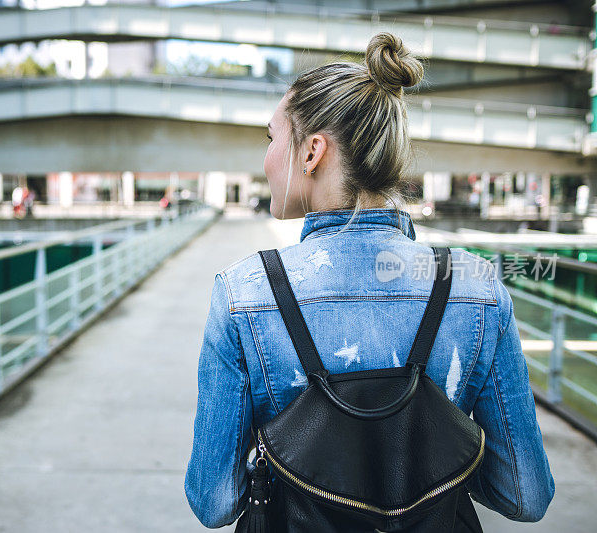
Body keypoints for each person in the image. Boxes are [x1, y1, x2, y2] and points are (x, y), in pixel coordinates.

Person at [184, 32, 554, 529]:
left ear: (313, 151)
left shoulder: (244, 293)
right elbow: (525, 495)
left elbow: (214, 502)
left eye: (271, 138)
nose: (267, 158)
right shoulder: (476, 288)